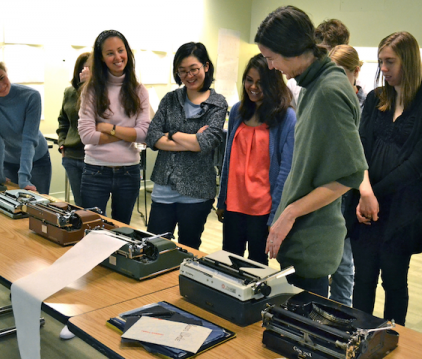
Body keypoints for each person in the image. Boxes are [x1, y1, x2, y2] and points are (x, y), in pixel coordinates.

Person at [255, 6, 367, 297]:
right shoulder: (312, 84)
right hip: (301, 240)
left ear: (290, 50)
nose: (270, 67)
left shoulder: (329, 90)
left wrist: (290, 213)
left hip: (312, 242)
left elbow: (350, 175)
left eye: (271, 58)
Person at [347, 32, 422, 326]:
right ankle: (357, 337)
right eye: (381, 62)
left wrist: (372, 194)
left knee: (394, 283)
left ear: (409, 61)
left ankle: (393, 340)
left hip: (401, 212)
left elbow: (416, 164)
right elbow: (359, 148)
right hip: (364, 207)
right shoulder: (377, 98)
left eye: (390, 61)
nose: (384, 68)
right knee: (362, 281)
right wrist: (364, 192)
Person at [145, 42, 227, 250]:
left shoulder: (217, 103)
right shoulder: (171, 99)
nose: (189, 76)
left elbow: (207, 142)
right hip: (164, 188)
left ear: (206, 67)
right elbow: (153, 136)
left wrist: (172, 134)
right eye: (182, 71)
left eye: (193, 69)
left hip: (197, 192)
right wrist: (191, 142)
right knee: (154, 247)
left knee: (187, 250)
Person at [216, 54, 296, 265]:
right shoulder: (237, 111)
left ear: (273, 84)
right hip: (234, 205)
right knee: (229, 264)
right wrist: (222, 198)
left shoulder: (286, 117)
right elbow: (228, 160)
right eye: (249, 80)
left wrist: (275, 215)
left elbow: (285, 170)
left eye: (261, 82)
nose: (253, 87)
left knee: (256, 269)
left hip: (262, 209)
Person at [78, 30, 150, 224]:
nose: (117, 57)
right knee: (92, 229)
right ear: (101, 58)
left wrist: (106, 127)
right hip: (95, 171)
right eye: (110, 53)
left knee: (122, 231)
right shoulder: (91, 90)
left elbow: (144, 135)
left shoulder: (139, 91)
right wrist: (128, 133)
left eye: (121, 50)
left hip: (129, 171)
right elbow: (86, 135)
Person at [0, 57, 51, 194]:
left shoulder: (31, 96)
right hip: (7, 161)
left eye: (2, 78)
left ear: (6, 73)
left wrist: (24, 177)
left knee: (38, 206)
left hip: (36, 160)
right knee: (6, 203)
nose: (1, 86)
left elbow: (29, 139)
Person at [326, 44, 366, 306]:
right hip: (327, 189)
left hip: (350, 192)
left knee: (343, 263)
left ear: (356, 71)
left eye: (341, 74)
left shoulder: (367, 105)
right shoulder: (327, 99)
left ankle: (340, 312)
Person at [288, 18, 350, 107]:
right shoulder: (295, 83)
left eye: (333, 56)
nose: (327, 61)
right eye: (323, 54)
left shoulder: (355, 82)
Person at [56, 52, 90, 207]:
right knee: (80, 203)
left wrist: (88, 88)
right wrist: (62, 144)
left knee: (93, 205)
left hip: (91, 157)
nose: (87, 71)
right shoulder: (69, 92)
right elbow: (63, 121)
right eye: (85, 68)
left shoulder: (101, 94)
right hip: (70, 156)